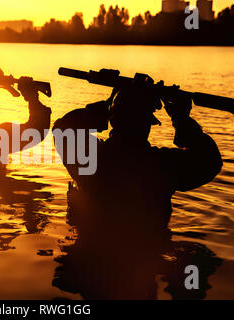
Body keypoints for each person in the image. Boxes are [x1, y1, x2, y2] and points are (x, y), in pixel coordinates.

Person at [51, 79, 223, 299]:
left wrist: (106, 105)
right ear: (149, 124)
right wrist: (181, 119)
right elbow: (209, 161)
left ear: (114, 120)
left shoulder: (92, 159)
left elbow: (62, 129)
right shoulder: (162, 165)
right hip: (143, 264)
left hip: (95, 265)